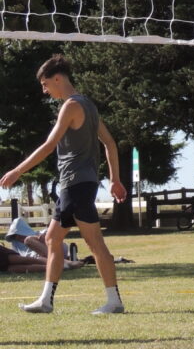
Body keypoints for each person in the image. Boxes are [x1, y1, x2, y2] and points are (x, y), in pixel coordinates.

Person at [0, 54, 128, 314]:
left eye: (45, 84)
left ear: (57, 78)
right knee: (51, 239)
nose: (45, 91)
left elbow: (49, 146)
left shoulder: (70, 106)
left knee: (94, 243)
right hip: (80, 184)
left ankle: (114, 301)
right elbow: (110, 144)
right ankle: (46, 300)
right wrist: (114, 179)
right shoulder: (89, 106)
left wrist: (17, 171)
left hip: (76, 185)